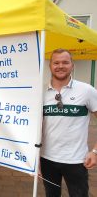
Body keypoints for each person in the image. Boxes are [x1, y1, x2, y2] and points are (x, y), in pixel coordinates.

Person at [41, 48, 97, 197]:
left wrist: (95, 151)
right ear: (50, 66)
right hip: (47, 159)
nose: (60, 66)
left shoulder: (86, 90)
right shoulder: (41, 93)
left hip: (76, 160)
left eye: (65, 62)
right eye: (56, 62)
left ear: (72, 65)